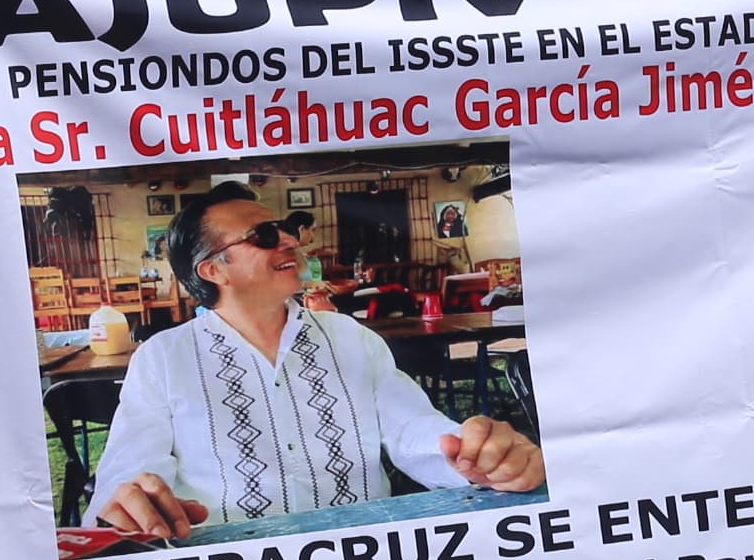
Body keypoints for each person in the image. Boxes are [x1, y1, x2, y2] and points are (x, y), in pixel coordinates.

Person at [88, 182, 543, 539]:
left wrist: (477, 457)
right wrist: (132, 503)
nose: (289, 239)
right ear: (213, 269)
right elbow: (130, 468)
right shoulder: (163, 358)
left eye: (284, 227)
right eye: (265, 236)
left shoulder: (348, 337)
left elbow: (411, 429)